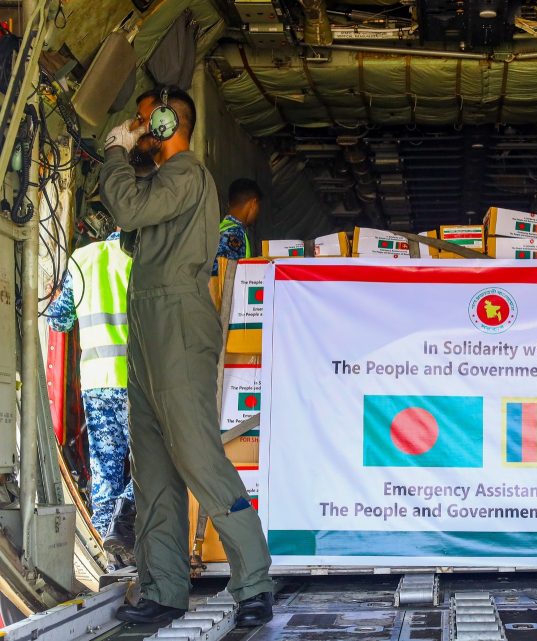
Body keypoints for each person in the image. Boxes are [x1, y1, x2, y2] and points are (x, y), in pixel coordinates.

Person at [99, 86, 274, 627]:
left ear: (168, 123)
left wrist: (115, 153)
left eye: (144, 121)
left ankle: (254, 582)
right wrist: (131, 165)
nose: (137, 129)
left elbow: (128, 209)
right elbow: (134, 234)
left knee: (197, 455)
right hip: (148, 323)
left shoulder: (186, 173)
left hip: (176, 318)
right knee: (152, 468)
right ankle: (163, 588)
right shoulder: (163, 180)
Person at [46, 231, 136, 566]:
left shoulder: (80, 259)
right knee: (154, 465)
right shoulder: (139, 257)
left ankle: (107, 556)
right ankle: (124, 517)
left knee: (104, 470)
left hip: (96, 382)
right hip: (135, 381)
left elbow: (59, 320)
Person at [212, 178, 262, 276]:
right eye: (258, 206)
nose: (258, 212)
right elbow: (225, 277)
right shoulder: (235, 234)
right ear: (253, 204)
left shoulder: (221, 227)